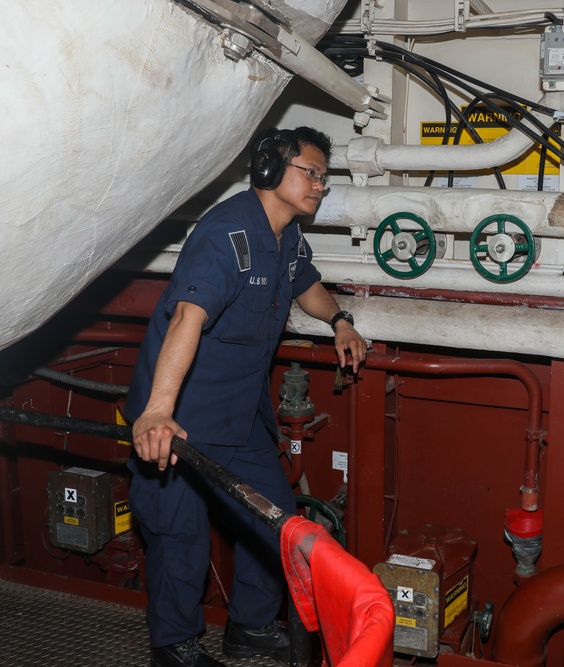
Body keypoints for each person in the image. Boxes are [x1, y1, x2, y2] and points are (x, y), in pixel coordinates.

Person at [125, 126, 367, 667]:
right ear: (268, 171)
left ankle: (252, 629)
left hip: (239, 415)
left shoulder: (286, 236)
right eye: (311, 172)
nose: (319, 186)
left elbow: (304, 282)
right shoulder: (226, 234)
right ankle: (175, 646)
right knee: (178, 533)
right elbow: (188, 317)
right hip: (182, 415)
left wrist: (341, 321)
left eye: (324, 178)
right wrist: (159, 410)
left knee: (277, 520)